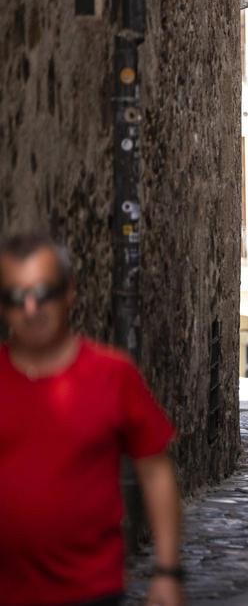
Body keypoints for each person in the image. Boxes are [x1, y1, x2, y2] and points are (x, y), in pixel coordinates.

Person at [0, 233, 184, 605]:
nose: (32, 308)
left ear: (70, 292)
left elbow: (155, 470)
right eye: (16, 297)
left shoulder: (113, 375)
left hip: (90, 590)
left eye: (45, 292)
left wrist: (168, 571)